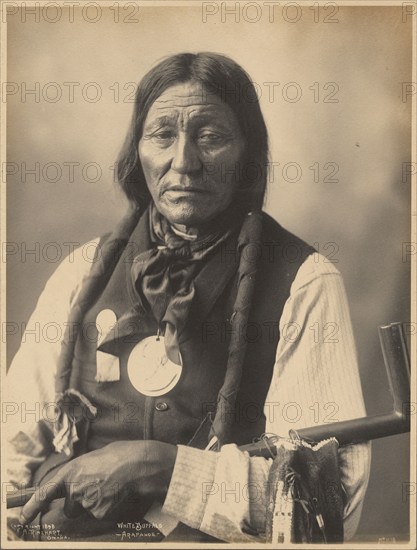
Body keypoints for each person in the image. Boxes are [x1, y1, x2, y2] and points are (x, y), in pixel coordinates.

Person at [6, 52, 370, 543]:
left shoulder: (304, 283)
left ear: (248, 156)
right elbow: (11, 454)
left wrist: (165, 470)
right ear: (138, 152)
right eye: (163, 135)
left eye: (211, 137)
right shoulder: (83, 273)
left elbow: (325, 509)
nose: (184, 162)